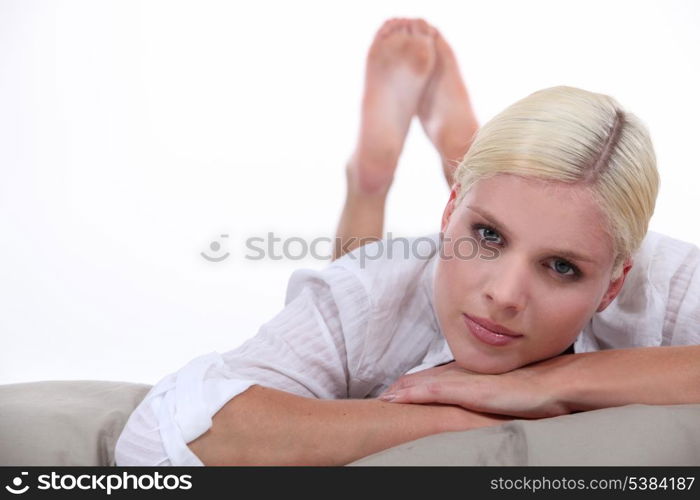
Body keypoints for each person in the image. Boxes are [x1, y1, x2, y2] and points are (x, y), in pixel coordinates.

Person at [114, 18, 700, 466]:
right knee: (374, 292)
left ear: (614, 284)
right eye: (487, 234)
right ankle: (375, 182)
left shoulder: (660, 282)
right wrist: (449, 420)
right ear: (447, 211)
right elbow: (150, 441)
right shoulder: (369, 293)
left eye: (562, 268)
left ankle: (467, 154)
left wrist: (545, 385)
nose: (506, 297)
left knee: (520, 214)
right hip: (398, 273)